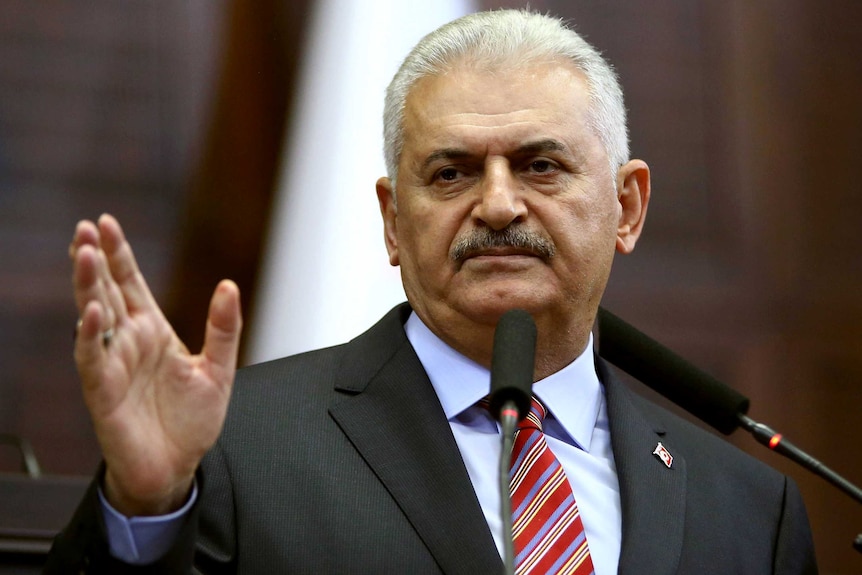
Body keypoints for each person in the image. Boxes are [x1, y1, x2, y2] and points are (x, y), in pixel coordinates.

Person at [45, 9, 817, 574]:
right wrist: (145, 508)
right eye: (451, 173)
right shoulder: (238, 449)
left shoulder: (750, 510)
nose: (499, 204)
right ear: (390, 222)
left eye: (541, 164)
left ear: (628, 206)